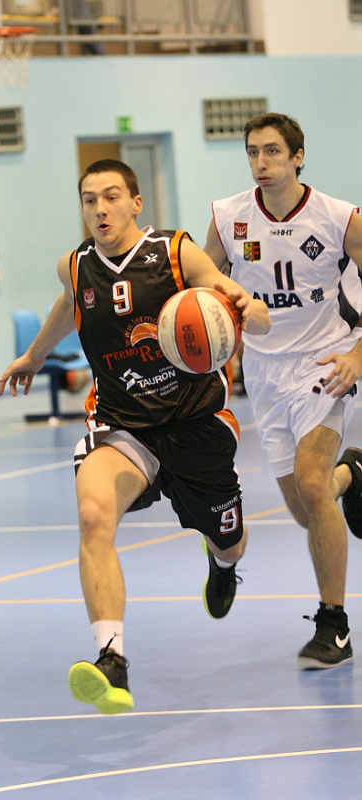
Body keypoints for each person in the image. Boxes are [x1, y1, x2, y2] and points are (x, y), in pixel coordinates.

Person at [0, 159, 271, 714]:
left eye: (111, 196)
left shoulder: (175, 252)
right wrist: (36, 354)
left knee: (230, 540)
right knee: (93, 515)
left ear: (136, 202)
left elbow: (235, 302)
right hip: (122, 425)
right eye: (89, 199)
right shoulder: (75, 266)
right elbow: (69, 305)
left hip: (196, 424)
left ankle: (222, 565)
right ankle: (112, 660)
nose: (100, 209)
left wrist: (253, 311)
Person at [205, 112, 362, 670]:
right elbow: (199, 284)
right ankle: (355, 473)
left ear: (298, 156)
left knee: (314, 487)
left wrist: (359, 354)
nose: (261, 162)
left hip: (326, 363)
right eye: (252, 152)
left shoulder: (339, 217)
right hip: (264, 373)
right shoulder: (228, 218)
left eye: (272, 151)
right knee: (304, 509)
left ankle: (334, 626)